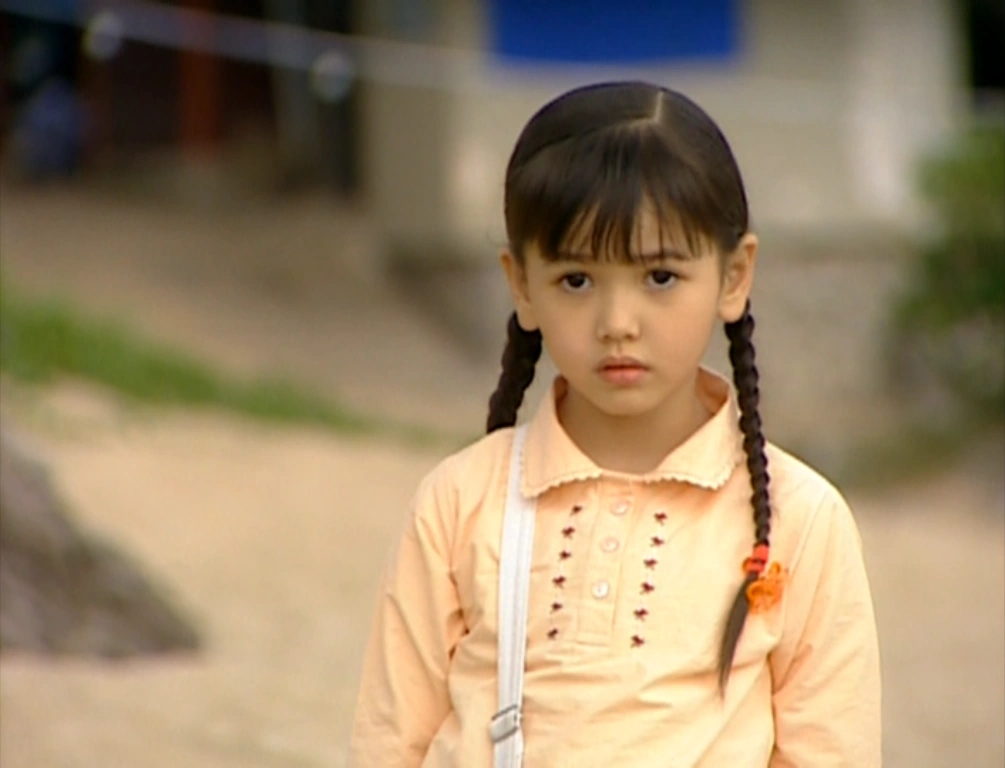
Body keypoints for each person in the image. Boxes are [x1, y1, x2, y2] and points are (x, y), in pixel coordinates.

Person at [348, 81, 881, 767]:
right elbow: (389, 743)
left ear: (733, 276)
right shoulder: (459, 503)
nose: (617, 323)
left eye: (659, 277)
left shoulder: (798, 520)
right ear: (521, 284)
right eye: (576, 280)